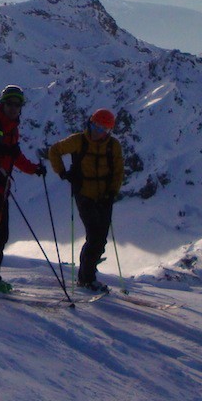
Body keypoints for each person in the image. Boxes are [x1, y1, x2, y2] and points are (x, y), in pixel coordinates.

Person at [0, 85, 45, 292]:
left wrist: (34, 169)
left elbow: (15, 156)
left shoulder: (12, 128)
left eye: (18, 104)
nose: (14, 108)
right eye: (10, 104)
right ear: (2, 104)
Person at [47, 108, 125, 292]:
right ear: (90, 124)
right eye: (96, 127)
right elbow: (54, 151)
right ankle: (86, 278)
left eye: (104, 130)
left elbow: (118, 170)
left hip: (105, 196)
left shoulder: (113, 146)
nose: (99, 133)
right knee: (94, 236)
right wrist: (62, 172)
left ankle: (88, 275)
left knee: (100, 239)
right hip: (84, 194)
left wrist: (113, 192)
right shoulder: (78, 140)